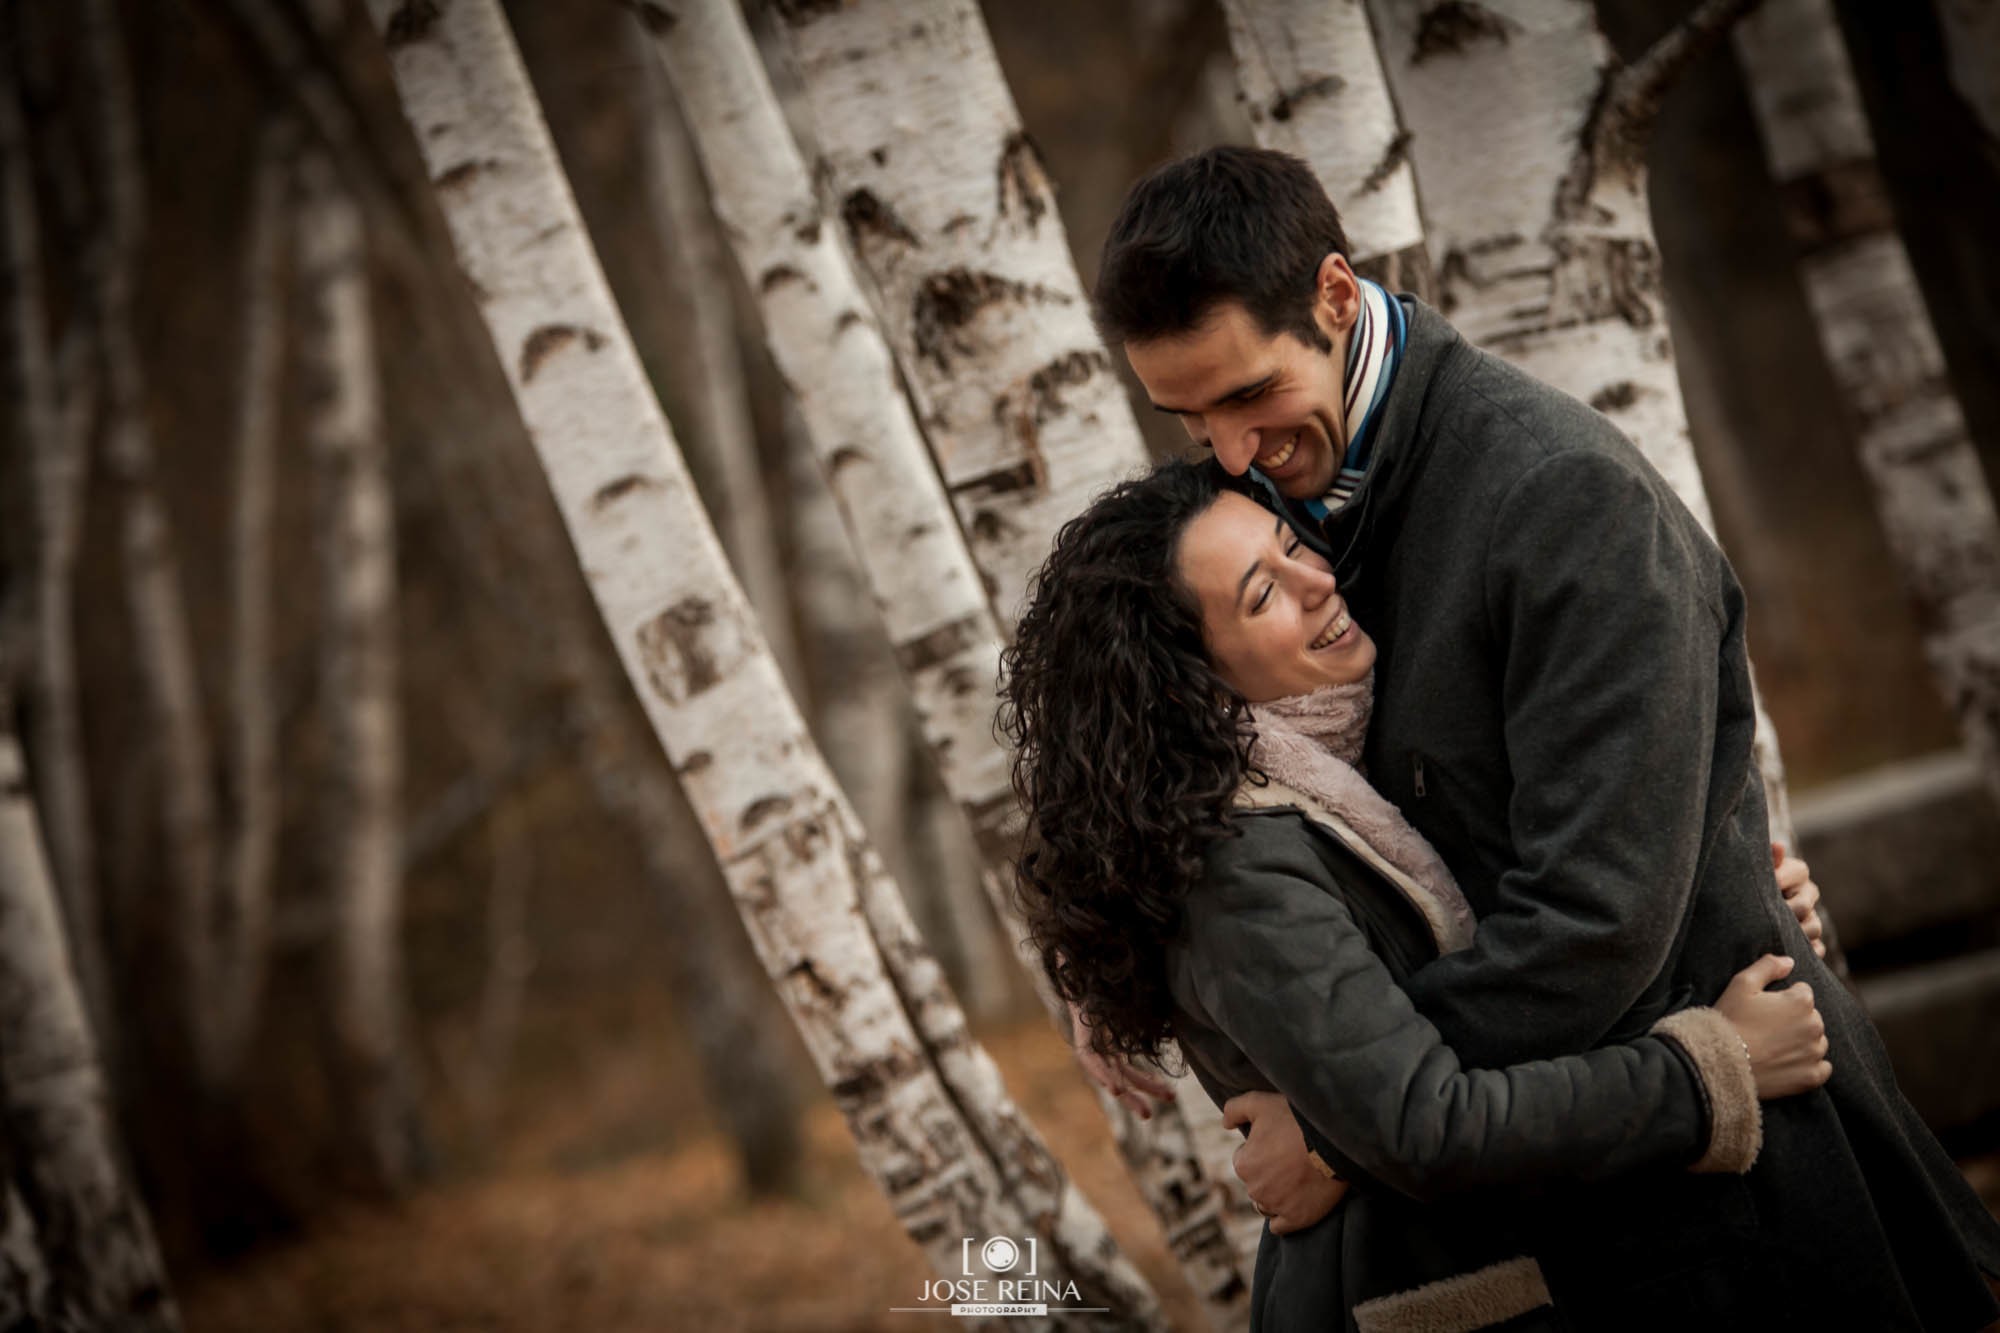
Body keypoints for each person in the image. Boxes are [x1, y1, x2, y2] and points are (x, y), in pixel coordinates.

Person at [1072, 146, 2000, 1329]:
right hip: (1540, 1217)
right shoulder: (1262, 509)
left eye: (1247, 395)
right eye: (1187, 416)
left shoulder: (1564, 503)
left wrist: (1348, 1123)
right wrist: (1101, 951)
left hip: (1732, 1214)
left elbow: (1591, 923)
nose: (1231, 451)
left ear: (1336, 298)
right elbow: (1153, 732)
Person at [1002, 459, 1832, 1329]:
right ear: (1188, 683)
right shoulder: (1234, 869)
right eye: (1263, 595)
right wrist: (1711, 1074)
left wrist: (1702, 902)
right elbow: (1426, 1128)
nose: (1319, 582)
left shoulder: (1341, 765)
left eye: (1295, 546)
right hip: (1418, 1295)